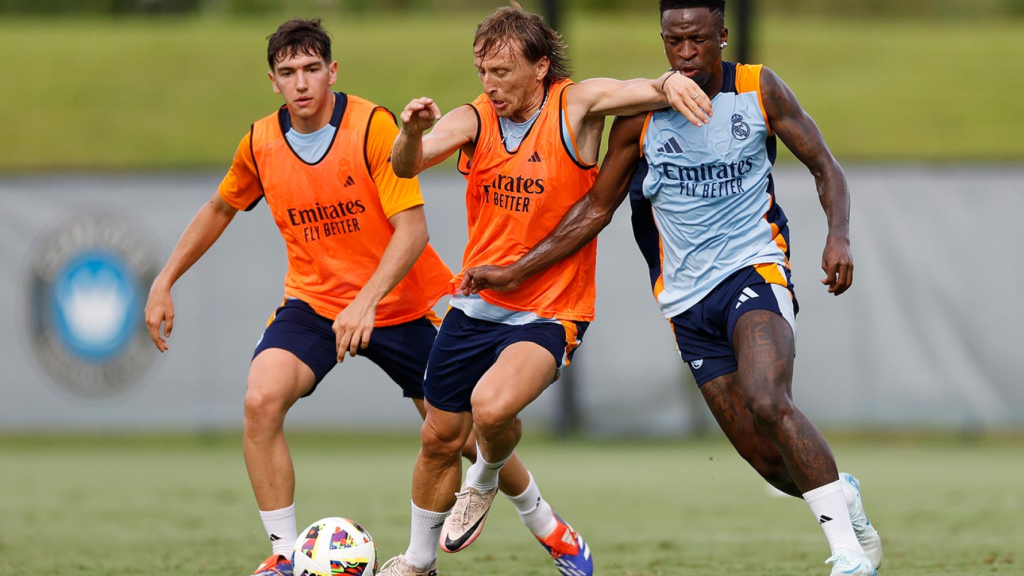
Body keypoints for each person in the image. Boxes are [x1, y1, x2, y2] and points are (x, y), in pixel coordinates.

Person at [142, 18, 585, 576]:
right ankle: (284, 553)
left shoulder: (373, 126)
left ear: (332, 72)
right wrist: (164, 280)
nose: (301, 82)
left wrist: (367, 302)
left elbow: (413, 230)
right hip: (315, 305)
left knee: (461, 435)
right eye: (287, 72)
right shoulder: (260, 142)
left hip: (404, 305)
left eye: (310, 69)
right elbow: (220, 208)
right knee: (260, 400)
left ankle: (548, 526)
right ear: (273, 81)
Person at [460, 1, 884, 575]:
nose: (686, 54)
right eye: (674, 41)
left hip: (754, 269)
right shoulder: (640, 116)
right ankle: (841, 492)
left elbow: (824, 165)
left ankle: (848, 556)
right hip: (685, 299)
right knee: (766, 460)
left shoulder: (760, 91)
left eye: (698, 40)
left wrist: (839, 237)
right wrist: (514, 271)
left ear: (723, 36)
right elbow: (595, 208)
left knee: (767, 398)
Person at [376, 4, 712, 576]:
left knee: (491, 407)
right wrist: (409, 133)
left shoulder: (573, 105)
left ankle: (481, 483)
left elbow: (631, 89)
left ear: (539, 67)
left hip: (552, 308)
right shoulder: (475, 118)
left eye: (502, 71)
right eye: (483, 70)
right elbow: (408, 164)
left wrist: (669, 82)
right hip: (476, 304)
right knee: (438, 438)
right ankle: (421, 561)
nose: (490, 83)